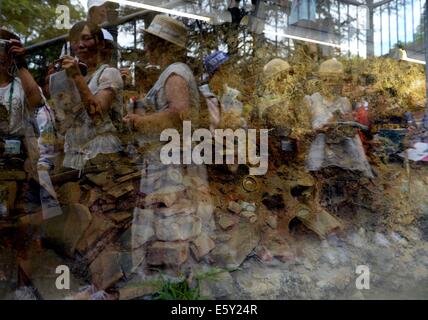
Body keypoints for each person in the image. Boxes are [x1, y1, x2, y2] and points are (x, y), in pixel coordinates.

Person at [123, 15, 214, 272]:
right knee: (174, 221)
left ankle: (179, 281)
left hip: (172, 162)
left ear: (161, 44)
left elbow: (178, 114)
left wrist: (140, 122)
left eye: (150, 42)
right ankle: (176, 278)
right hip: (169, 158)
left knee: (174, 220)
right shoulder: (173, 72)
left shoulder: (175, 74)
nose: (145, 47)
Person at [0, 29, 57, 217]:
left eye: (5, 47)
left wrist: (21, 64)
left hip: (18, 158)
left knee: (22, 215)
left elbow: (37, 101)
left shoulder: (20, 85)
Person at [54, 21, 123, 170]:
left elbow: (97, 113)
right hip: (74, 156)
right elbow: (63, 122)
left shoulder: (109, 74)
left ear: (100, 44)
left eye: (86, 38)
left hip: (101, 153)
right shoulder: (71, 79)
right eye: (75, 41)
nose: (80, 45)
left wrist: (77, 77)